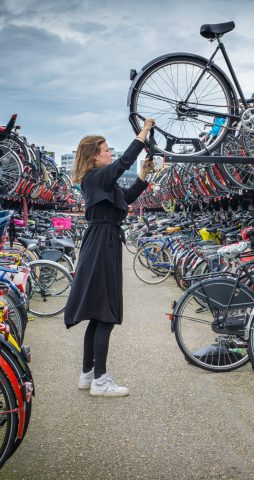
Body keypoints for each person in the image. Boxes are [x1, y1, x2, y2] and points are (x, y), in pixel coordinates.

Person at [64, 118, 155, 397]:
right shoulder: (96, 176)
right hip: (103, 244)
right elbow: (123, 164)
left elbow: (125, 199)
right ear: (94, 156)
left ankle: (88, 374)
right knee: (104, 313)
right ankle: (100, 382)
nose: (110, 155)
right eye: (106, 150)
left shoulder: (98, 181)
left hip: (101, 242)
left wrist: (143, 177)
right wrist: (142, 135)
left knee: (96, 313)